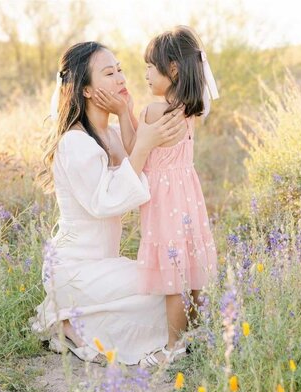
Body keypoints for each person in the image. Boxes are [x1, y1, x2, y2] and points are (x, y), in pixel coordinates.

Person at [30, 41, 187, 365]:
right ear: (86, 90)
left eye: (120, 70)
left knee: (174, 283)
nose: (120, 78)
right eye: (108, 73)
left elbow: (139, 165)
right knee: (167, 292)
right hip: (75, 270)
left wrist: (126, 114)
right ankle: (71, 322)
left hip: (105, 268)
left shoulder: (111, 133)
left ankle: (77, 321)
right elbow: (106, 201)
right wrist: (145, 142)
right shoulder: (75, 142)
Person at [98, 26, 219, 367]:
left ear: (174, 69)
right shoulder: (191, 109)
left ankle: (172, 347)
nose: (145, 74)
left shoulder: (154, 110)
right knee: (190, 266)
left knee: (173, 274)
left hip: (165, 202)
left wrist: (124, 113)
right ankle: (196, 334)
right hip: (188, 196)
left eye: (151, 67)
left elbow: (134, 150)